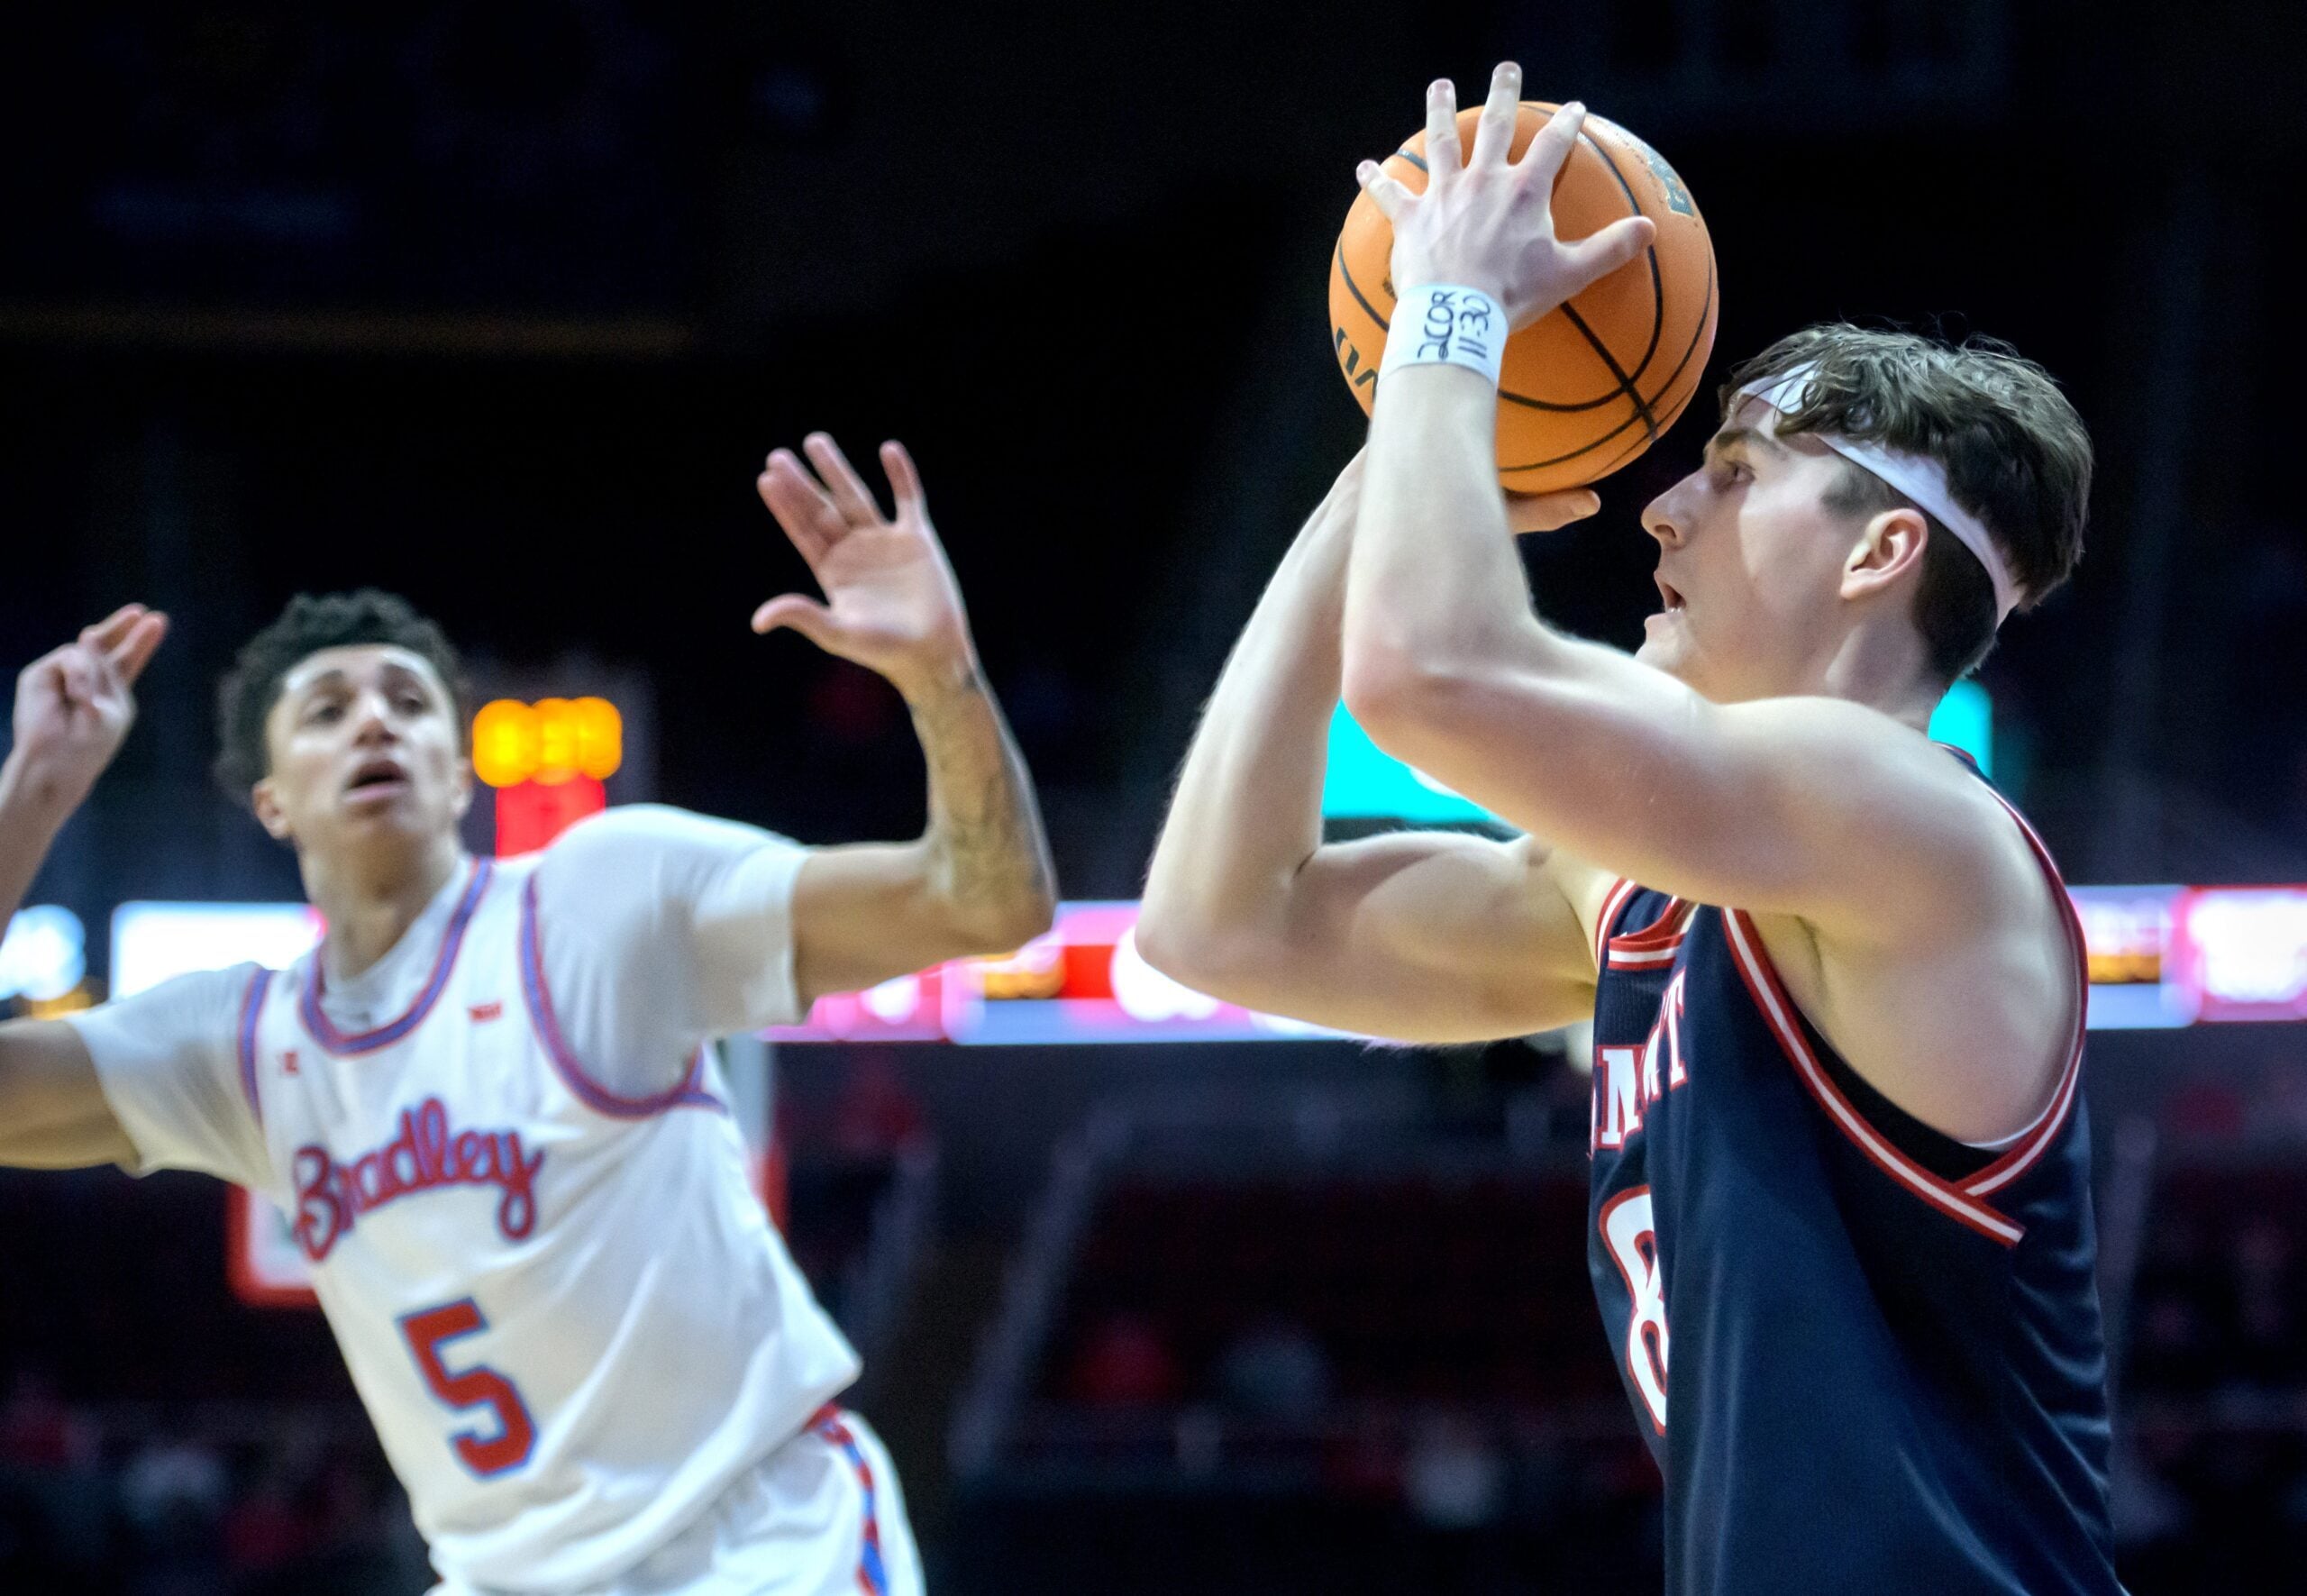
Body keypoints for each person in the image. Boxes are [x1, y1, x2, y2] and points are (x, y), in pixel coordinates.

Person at [1140, 63, 2115, 1593]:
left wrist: (1452, 327)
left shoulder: (1915, 827)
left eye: (1734, 479)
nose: (1665, 511)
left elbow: (1430, 677)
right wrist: (1367, 478)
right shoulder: (1649, 893)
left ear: (1883, 551)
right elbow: (1219, 924)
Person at [0, 433, 1055, 1595]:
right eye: (327, 710)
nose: (372, 725)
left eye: (407, 702)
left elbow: (987, 904)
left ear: (460, 776)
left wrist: (943, 681)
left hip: (754, 1544)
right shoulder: (246, 1052)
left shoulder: (597, 905)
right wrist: (29, 798)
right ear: (271, 799)